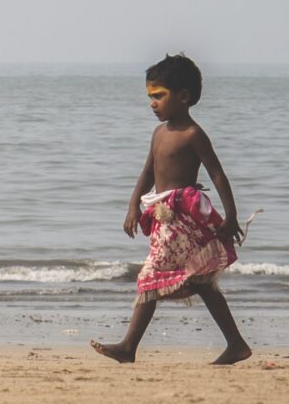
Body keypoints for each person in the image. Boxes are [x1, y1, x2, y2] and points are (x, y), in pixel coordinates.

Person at [92, 53, 251, 365]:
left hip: (182, 219)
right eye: (150, 97)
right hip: (162, 216)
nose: (153, 103)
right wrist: (133, 206)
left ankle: (128, 347)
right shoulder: (158, 134)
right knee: (201, 283)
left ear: (184, 96)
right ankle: (236, 344)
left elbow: (218, 174)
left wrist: (231, 215)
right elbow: (148, 173)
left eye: (159, 96)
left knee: (151, 275)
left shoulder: (193, 134)